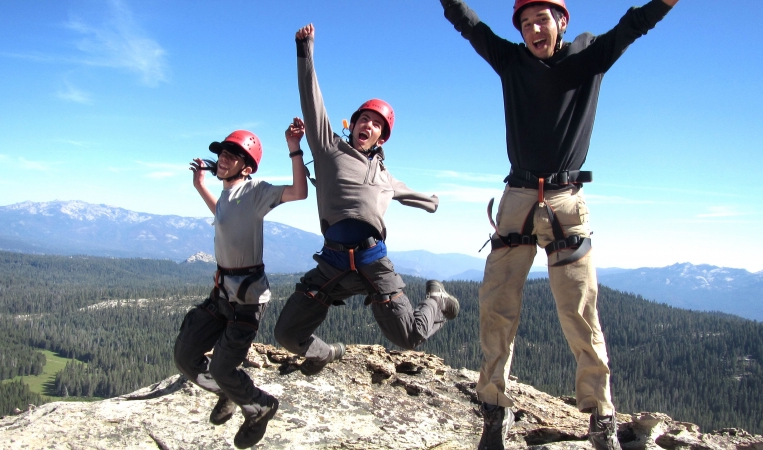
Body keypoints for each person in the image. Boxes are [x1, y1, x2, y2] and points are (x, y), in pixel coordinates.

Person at [438, 0, 678, 448]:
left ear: (562, 22)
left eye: (541, 20)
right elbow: (469, 25)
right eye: (526, 23)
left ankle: (601, 414)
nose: (533, 30)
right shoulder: (510, 61)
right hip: (519, 195)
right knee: (497, 304)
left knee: (580, 308)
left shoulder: (589, 58)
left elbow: (634, 25)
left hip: (566, 199)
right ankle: (494, 409)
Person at [273, 23, 460, 376]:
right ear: (353, 123)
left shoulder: (387, 177)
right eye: (364, 119)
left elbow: (424, 201)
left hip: (374, 262)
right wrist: (305, 50)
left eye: (376, 124)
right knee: (286, 334)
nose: (368, 125)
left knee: (409, 336)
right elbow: (311, 100)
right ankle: (325, 353)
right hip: (333, 264)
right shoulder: (329, 149)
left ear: (381, 139)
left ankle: (437, 298)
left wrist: (434, 200)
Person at [173, 122, 308, 449]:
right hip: (221, 295)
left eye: (232, 155)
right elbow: (222, 213)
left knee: (222, 366)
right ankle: (229, 392)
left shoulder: (255, 191)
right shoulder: (228, 194)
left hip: (247, 300)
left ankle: (260, 406)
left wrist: (294, 147)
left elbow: (299, 192)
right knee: (185, 355)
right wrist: (199, 185)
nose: (223, 157)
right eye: (222, 152)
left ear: (246, 167)